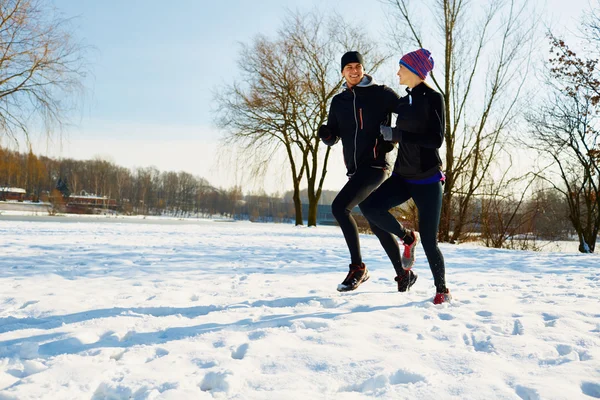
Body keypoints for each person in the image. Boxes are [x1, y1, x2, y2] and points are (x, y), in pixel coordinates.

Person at [360, 48, 452, 304]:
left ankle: (442, 290)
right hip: (402, 176)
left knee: (431, 243)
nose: (398, 72)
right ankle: (407, 237)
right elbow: (378, 99)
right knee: (369, 207)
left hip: (428, 180)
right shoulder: (403, 101)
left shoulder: (434, 99)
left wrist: (398, 135)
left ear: (414, 71)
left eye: (402, 67)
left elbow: (436, 139)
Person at [319, 51, 400, 292]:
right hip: (356, 170)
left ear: (363, 69)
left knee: (339, 207)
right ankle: (403, 272)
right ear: (342, 72)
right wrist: (327, 135)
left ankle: (358, 267)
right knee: (375, 220)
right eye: (349, 67)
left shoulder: (381, 93)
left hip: (377, 165)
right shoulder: (339, 101)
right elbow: (334, 136)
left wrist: (394, 137)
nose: (354, 71)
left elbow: (408, 115)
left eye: (358, 66)